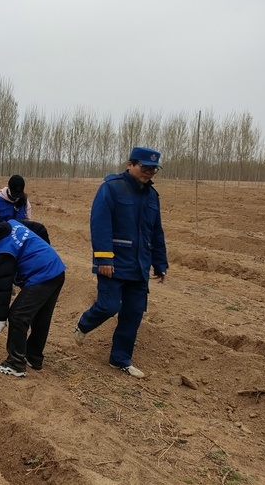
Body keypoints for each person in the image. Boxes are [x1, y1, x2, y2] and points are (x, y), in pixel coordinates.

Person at [74, 147, 168, 379]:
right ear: (130, 164)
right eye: (144, 167)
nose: (148, 173)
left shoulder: (152, 196)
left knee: (133, 313)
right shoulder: (111, 188)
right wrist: (104, 258)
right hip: (114, 263)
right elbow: (100, 224)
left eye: (153, 169)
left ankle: (120, 359)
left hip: (139, 265)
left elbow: (156, 232)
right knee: (108, 306)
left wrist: (160, 263)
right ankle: (85, 324)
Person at [0, 210, 65, 377]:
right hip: (56, 269)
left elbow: (3, 287)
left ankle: (16, 363)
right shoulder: (11, 224)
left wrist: (0, 317)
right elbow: (40, 228)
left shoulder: (0, 251)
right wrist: (45, 251)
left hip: (42, 275)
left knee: (18, 315)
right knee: (41, 317)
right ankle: (33, 357)